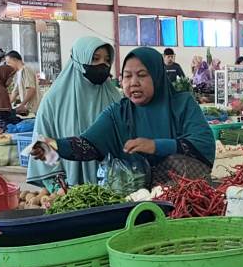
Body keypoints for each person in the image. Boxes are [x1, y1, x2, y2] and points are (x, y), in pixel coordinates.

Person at [31, 47, 215, 185]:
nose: (133, 83)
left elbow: (203, 143)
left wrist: (155, 145)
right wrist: (54, 145)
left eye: (142, 75)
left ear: (157, 76)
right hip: (135, 199)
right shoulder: (118, 113)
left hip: (185, 196)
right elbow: (87, 145)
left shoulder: (182, 104)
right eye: (127, 76)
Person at [28, 37, 122, 188]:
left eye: (107, 60)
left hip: (115, 186)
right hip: (70, 190)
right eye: (95, 59)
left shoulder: (115, 97)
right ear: (79, 60)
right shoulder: (53, 100)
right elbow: (42, 146)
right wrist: (59, 189)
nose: (102, 65)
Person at [6, 50, 40, 115]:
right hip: (28, 109)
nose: (8, 65)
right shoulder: (18, 73)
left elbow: (31, 89)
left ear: (15, 60)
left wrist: (22, 104)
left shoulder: (26, 70)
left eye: (9, 62)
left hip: (34, 108)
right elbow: (15, 92)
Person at [0, 65, 16, 132]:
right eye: (11, 77)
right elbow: (5, 114)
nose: (12, 80)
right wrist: (17, 111)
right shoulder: (0, 89)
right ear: (4, 76)